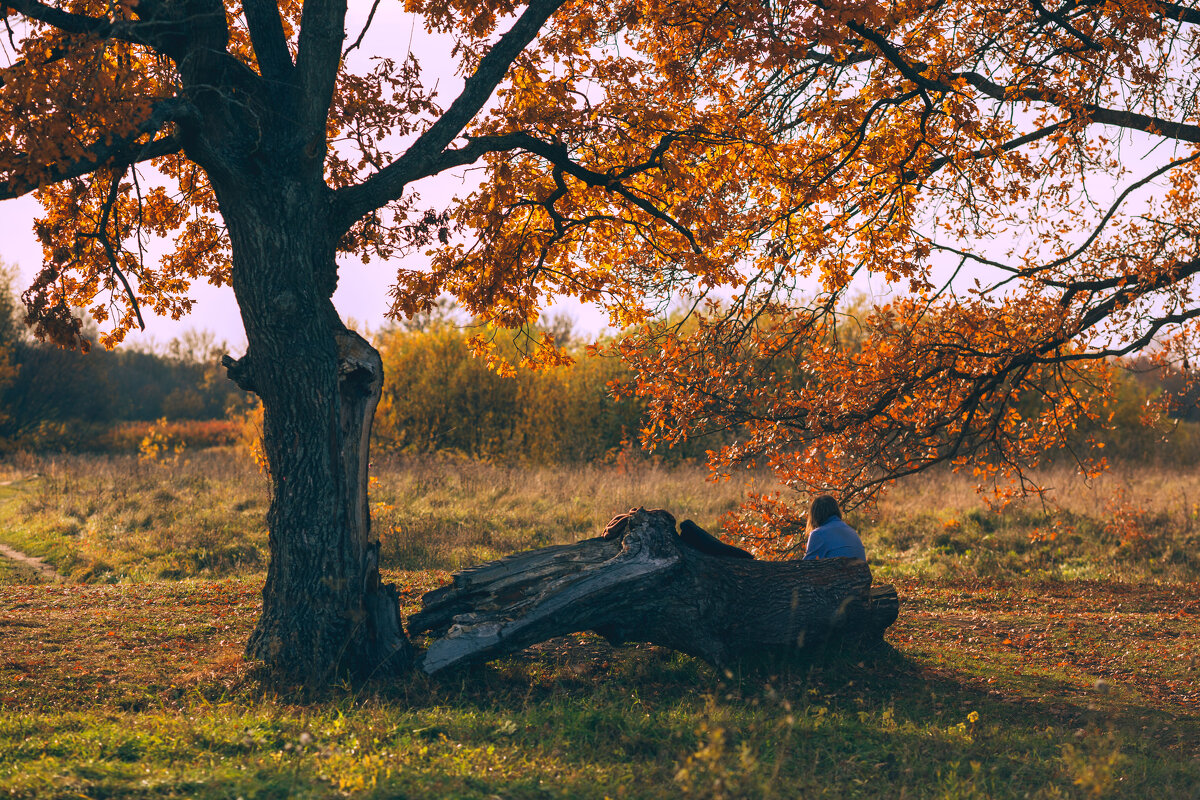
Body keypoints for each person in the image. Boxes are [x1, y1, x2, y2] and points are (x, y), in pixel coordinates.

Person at [801, 494, 866, 561]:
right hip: (858, 571)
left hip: (837, 571)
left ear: (815, 514)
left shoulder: (818, 534)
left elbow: (807, 567)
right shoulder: (852, 532)